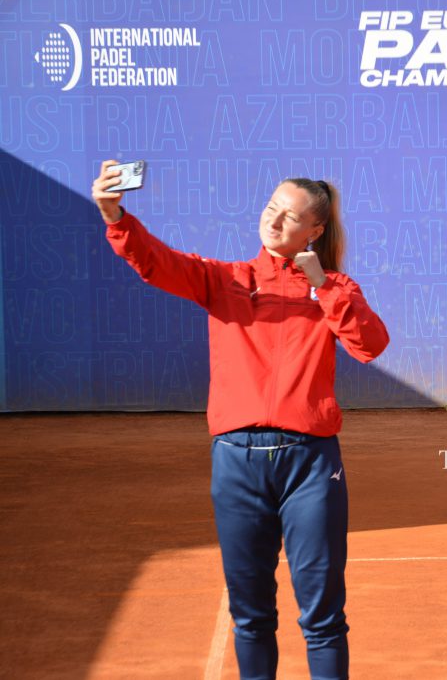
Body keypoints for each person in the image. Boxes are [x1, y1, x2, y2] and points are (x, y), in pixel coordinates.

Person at [92, 161, 390, 680]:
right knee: (250, 616)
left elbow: (370, 345)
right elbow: (156, 262)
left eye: (290, 215)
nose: (274, 221)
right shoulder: (223, 279)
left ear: (314, 231)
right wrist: (115, 215)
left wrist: (321, 285)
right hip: (236, 466)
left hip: (311, 468)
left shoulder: (335, 288)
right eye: (271, 208)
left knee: (322, 618)